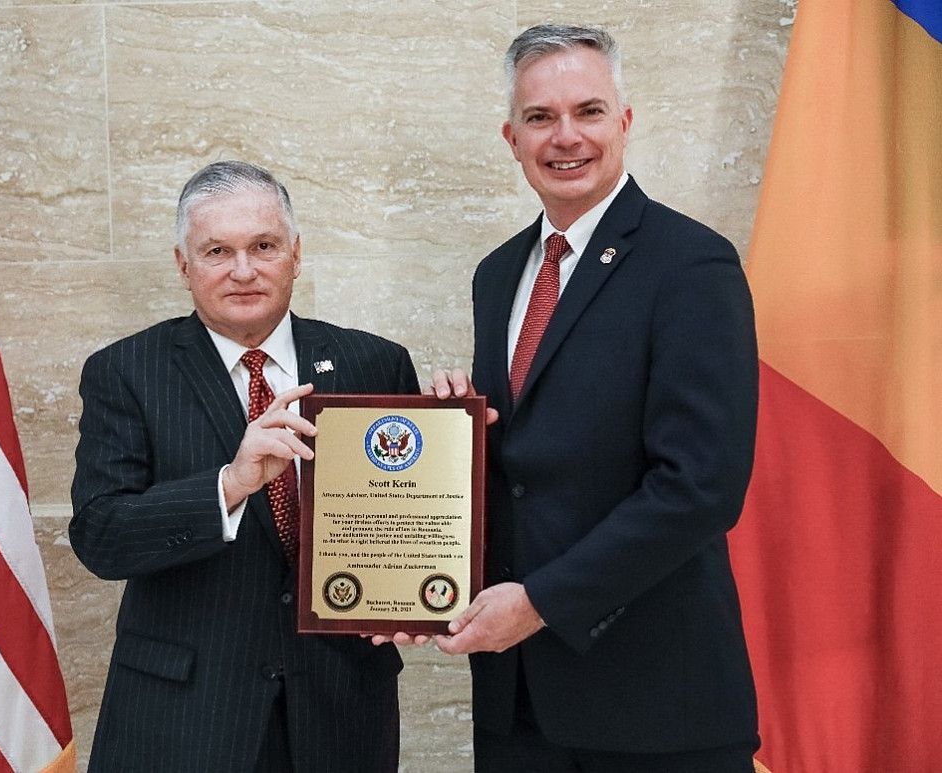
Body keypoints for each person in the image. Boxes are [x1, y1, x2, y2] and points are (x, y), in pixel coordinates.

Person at [431, 24, 760, 771]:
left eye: (588, 111)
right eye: (540, 117)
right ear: (512, 139)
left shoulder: (692, 265)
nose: (565, 137)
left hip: (656, 705)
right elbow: (527, 464)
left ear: (625, 122)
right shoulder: (497, 274)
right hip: (517, 705)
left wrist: (539, 603)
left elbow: (700, 486)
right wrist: (459, 433)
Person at [70, 160, 419, 772]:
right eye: (217, 251)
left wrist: (415, 596)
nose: (243, 270)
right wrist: (229, 486)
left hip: (340, 712)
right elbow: (101, 536)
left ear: (295, 254)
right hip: (185, 719)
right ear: (183, 265)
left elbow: (408, 520)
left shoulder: (374, 363)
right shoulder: (126, 372)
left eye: (263, 246)